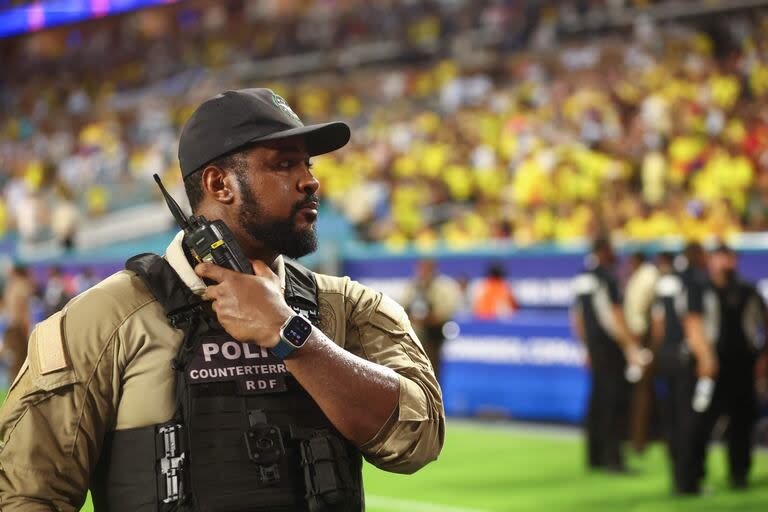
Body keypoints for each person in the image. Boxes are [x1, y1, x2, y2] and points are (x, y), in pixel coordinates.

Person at [0, 88, 445, 511]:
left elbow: (419, 440)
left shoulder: (350, 308)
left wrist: (291, 334)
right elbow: (25, 494)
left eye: (308, 165)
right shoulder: (104, 320)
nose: (311, 182)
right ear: (219, 183)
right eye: (285, 165)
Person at [686, 243, 767, 490]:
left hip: (743, 365)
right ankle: (694, 476)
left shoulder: (748, 291)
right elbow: (693, 324)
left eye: (729, 258)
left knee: (742, 423)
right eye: (719, 258)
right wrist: (704, 357)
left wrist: (762, 361)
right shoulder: (702, 289)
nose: (724, 263)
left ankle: (739, 474)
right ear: (711, 261)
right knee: (701, 422)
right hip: (713, 366)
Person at [570, 237, 645, 473]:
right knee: (613, 403)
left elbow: (577, 318)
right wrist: (630, 346)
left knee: (597, 402)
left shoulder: (582, 277)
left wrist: (586, 347)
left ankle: (595, 456)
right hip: (610, 349)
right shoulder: (605, 277)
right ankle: (613, 458)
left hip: (595, 347)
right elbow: (612, 317)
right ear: (602, 251)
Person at [651, 242, 719, 494]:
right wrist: (706, 358)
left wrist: (658, 354)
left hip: (668, 357)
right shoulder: (694, 281)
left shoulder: (667, 280)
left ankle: (679, 477)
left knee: (674, 420)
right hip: (686, 358)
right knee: (692, 420)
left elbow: (657, 323)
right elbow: (692, 321)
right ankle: (689, 480)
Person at [401, 259, 462, 381]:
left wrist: (424, 320)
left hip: (433, 338)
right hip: (413, 339)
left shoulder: (443, 286)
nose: (423, 272)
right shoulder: (413, 286)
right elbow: (402, 308)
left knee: (431, 372)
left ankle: (432, 398)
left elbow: (444, 312)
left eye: (426, 269)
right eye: (421, 269)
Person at [623, 252, 660, 453]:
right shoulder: (643, 277)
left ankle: (639, 440)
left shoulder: (646, 277)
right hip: (644, 340)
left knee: (642, 391)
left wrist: (638, 347)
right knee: (644, 391)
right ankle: (642, 437)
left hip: (644, 341)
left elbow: (638, 316)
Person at [0, 264, 36, 384]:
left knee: (17, 362)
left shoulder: (16, 285)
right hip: (16, 327)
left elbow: (22, 308)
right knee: (18, 362)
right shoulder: (18, 285)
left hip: (16, 327)